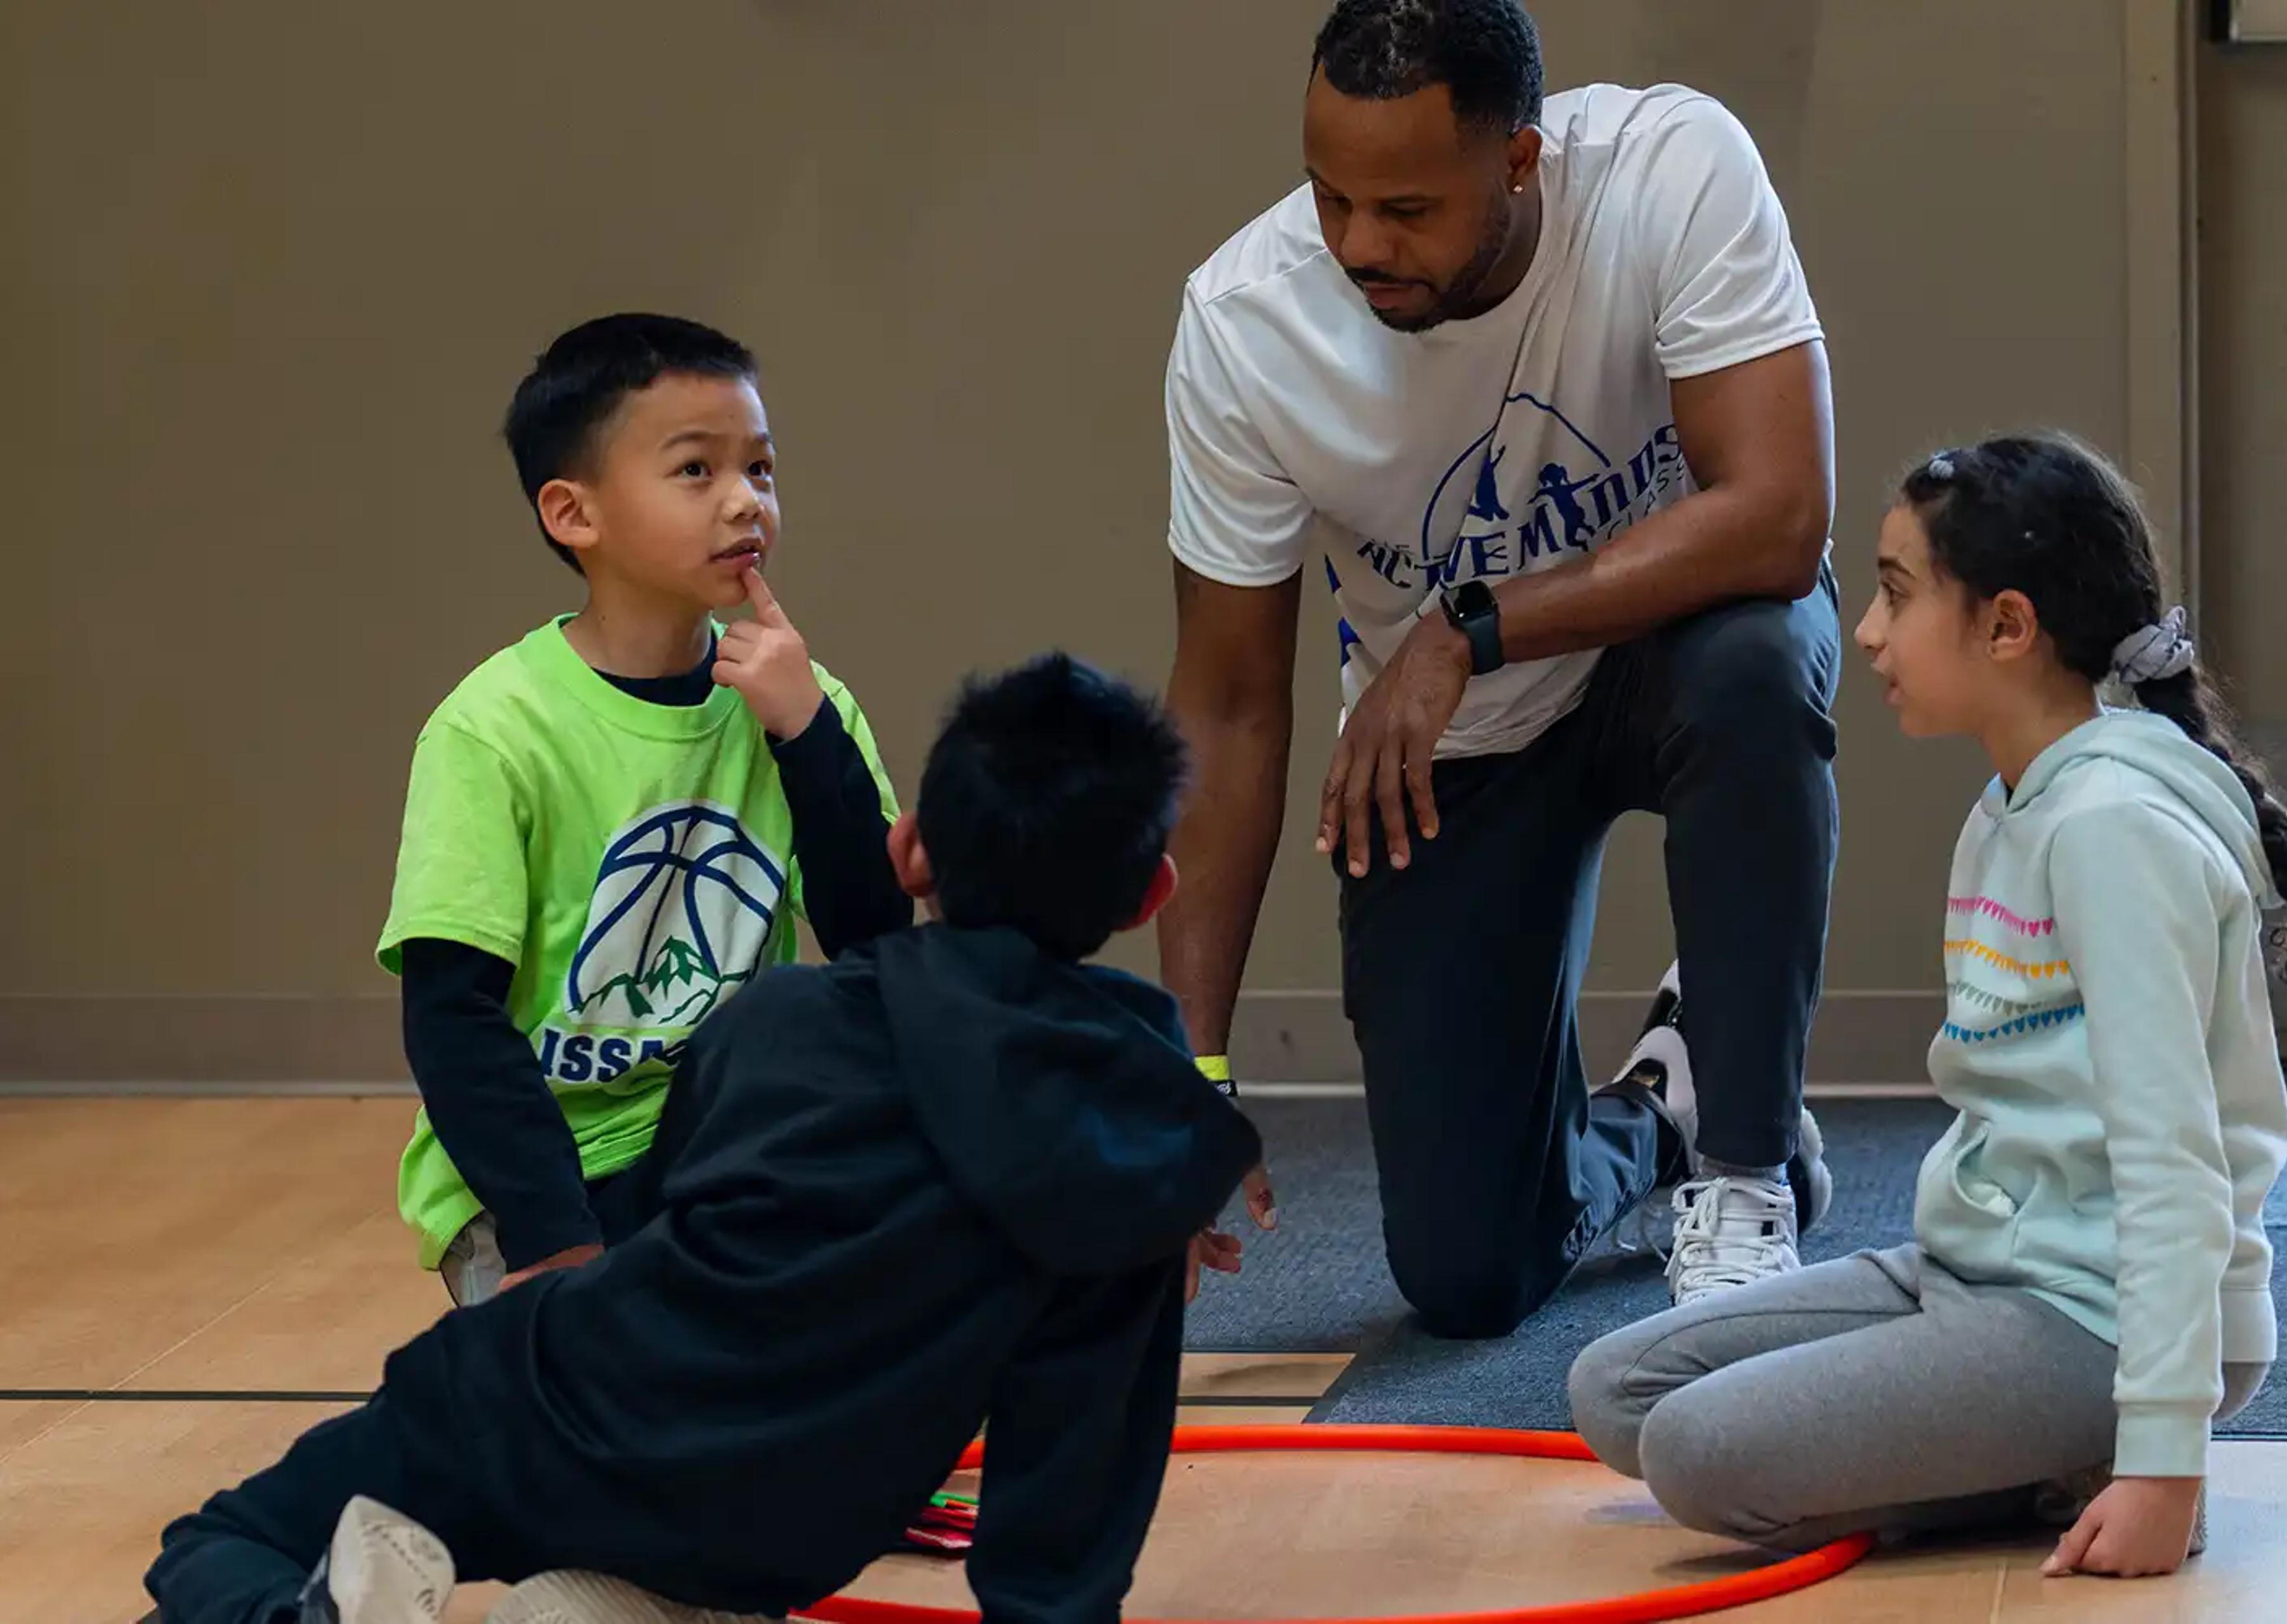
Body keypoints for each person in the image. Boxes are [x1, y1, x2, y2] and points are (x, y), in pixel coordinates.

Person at [143, 653, 1265, 1624]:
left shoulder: (777, 1021)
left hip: (559, 1415)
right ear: (1150, 895)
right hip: (788, 1531)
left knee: (218, 1541)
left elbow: (668, 1229)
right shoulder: (1144, 1137)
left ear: (911, 853)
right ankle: (609, 1601)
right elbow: (1072, 1487)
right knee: (635, 1558)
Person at [1568, 435, 2287, 1578]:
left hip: (2096, 1318)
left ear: (2008, 626)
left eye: (1897, 595)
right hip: (1981, 1274)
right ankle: (2031, 1460)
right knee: (1614, 1392)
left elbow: (2176, 1163)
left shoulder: (2113, 833)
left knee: (1697, 1456)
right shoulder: (2014, 806)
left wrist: (2164, 1461)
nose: (1867, 632)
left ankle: (2083, 1463)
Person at [1160, 0, 1840, 1332]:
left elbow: (1778, 511)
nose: (1361, 244)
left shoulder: (1670, 169)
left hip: (1663, 649)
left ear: (1522, 162)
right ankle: (1666, 1110)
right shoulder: (1245, 326)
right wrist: (1192, 1069)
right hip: (1456, 742)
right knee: (1468, 1270)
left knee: (1758, 664)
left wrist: (1469, 624)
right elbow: (1230, 709)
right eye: (1330, 197)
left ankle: (1750, 1178)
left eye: (1406, 208)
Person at [378, 313, 909, 1304]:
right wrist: (555, 1240)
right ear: (573, 514)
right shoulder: (493, 731)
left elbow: (877, 941)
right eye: (697, 471)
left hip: (733, 1144)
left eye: (761, 469)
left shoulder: (805, 702)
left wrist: (807, 739)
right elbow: (452, 1019)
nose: (745, 501)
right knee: (624, 1420)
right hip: (538, 1178)